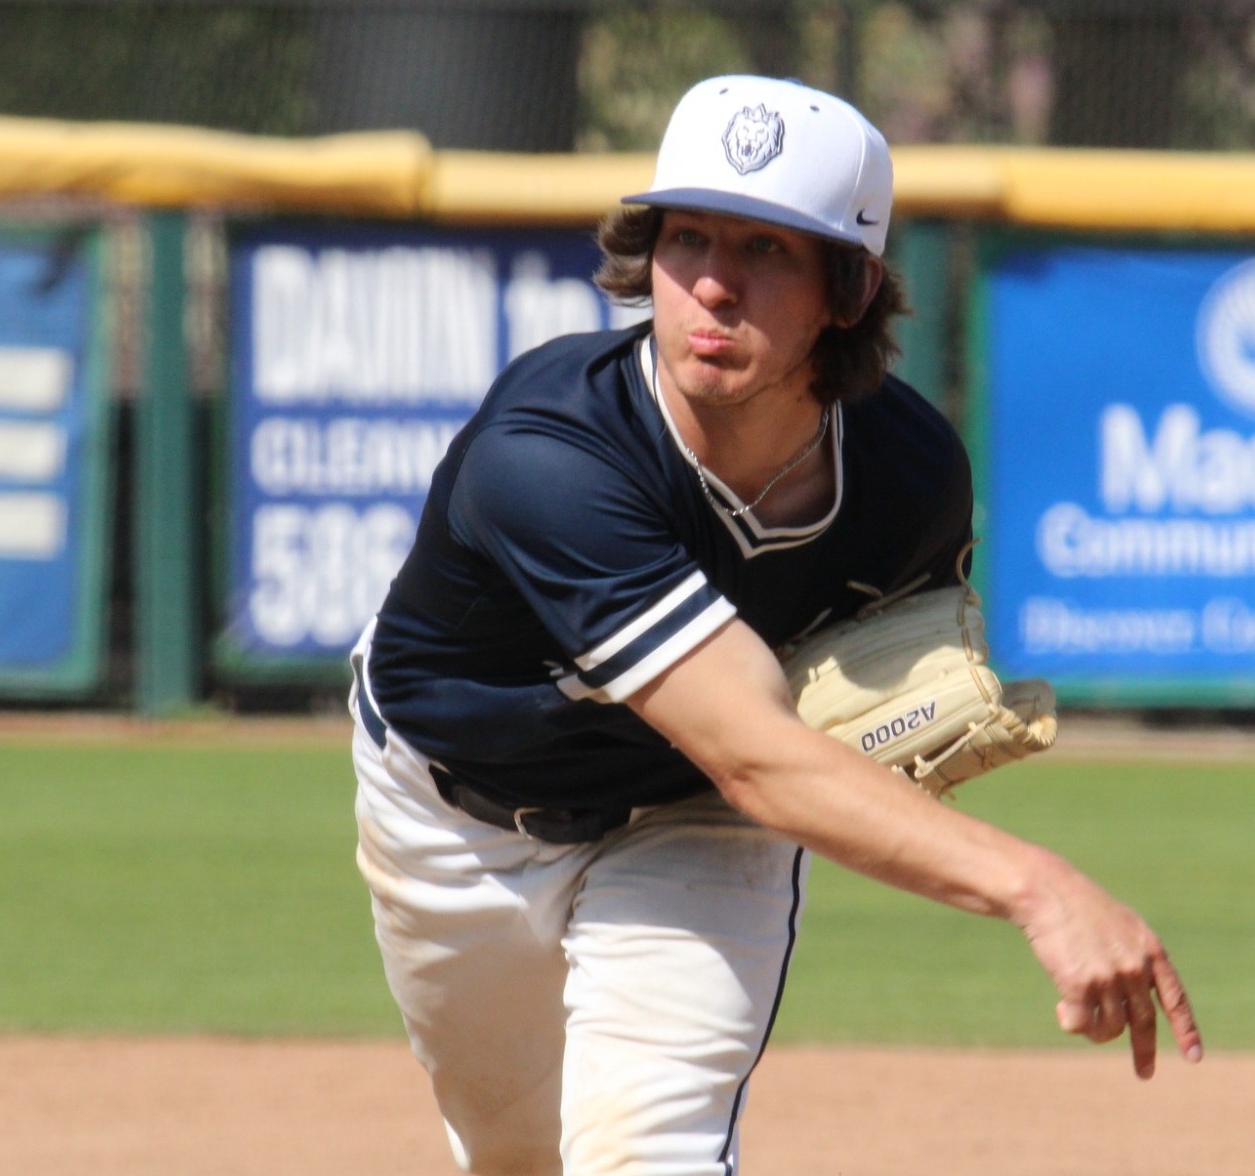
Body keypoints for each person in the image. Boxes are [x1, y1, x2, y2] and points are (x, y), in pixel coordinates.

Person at [349, 74, 1202, 1176]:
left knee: (647, 1152)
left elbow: (772, 758)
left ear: (849, 287)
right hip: (454, 817)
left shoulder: (907, 480)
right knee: (516, 1155)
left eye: (765, 249)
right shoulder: (550, 457)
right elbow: (757, 751)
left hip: (692, 816)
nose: (712, 284)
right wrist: (1040, 888)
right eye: (687, 238)